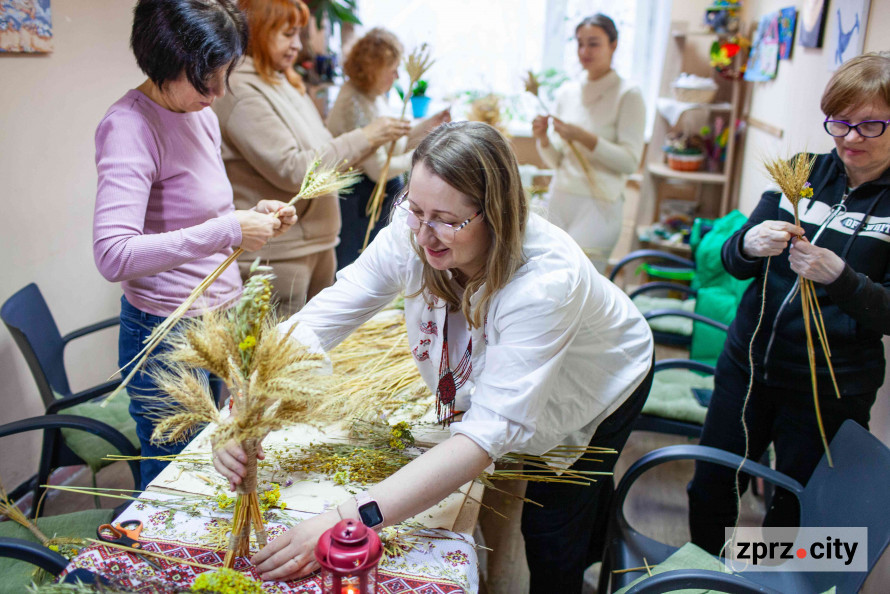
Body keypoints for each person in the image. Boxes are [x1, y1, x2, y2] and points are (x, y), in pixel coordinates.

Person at [214, 121, 654, 592]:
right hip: (556, 354)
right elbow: (321, 319)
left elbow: (484, 437)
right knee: (566, 505)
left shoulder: (544, 284)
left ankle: (577, 569)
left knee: (552, 527)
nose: (424, 236)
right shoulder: (418, 232)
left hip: (604, 376)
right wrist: (241, 408)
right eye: (416, 211)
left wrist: (347, 519)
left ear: (498, 214)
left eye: (446, 220)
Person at [687, 52, 890, 555]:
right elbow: (737, 263)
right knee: (710, 489)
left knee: (796, 514)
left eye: (870, 125)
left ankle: (765, 584)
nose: (849, 138)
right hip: (748, 367)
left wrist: (842, 279)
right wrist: (748, 243)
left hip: (830, 388)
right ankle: (709, 580)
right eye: (840, 122)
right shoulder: (799, 172)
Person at [93, 0, 297, 489]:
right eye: (207, 78)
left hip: (217, 321)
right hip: (166, 334)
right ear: (163, 62)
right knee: (173, 481)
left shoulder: (199, 112)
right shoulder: (129, 127)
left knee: (219, 466)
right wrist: (229, 229)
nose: (218, 93)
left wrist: (252, 215)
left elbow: (198, 212)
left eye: (225, 74)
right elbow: (112, 253)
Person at [213, 0, 410, 317]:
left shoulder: (285, 82)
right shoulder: (240, 89)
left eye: (299, 35)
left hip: (318, 243)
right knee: (278, 359)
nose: (298, 45)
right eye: (287, 34)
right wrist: (367, 136)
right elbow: (295, 169)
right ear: (258, 32)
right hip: (281, 254)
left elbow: (324, 149)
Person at [326, 27, 450, 270]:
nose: (396, 76)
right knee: (357, 267)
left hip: (376, 199)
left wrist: (428, 124)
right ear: (372, 67)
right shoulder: (354, 102)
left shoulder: (375, 96)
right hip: (359, 204)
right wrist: (425, 154)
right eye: (391, 69)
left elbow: (394, 144)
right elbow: (380, 168)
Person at [532, 13, 645, 272]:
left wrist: (584, 138)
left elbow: (629, 163)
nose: (584, 51)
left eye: (593, 43)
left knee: (581, 283)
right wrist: (542, 139)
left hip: (600, 206)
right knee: (545, 277)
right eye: (580, 43)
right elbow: (559, 163)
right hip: (560, 199)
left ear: (613, 45)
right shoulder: (567, 93)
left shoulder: (628, 95)